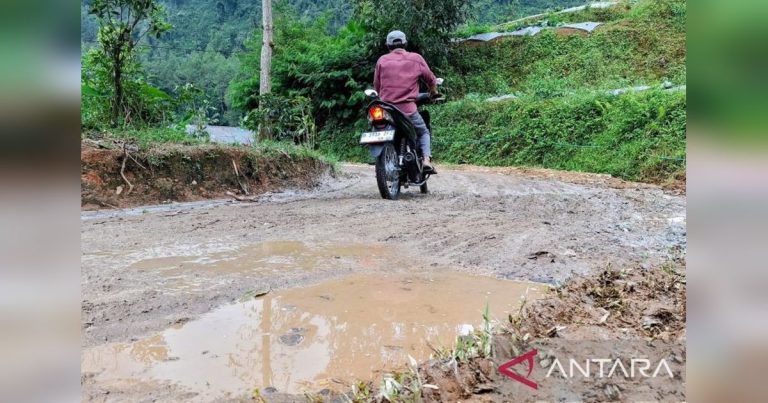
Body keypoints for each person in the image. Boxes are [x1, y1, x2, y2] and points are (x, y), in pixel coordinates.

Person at [373, 30, 438, 171]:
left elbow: (377, 87)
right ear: (405, 43)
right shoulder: (416, 58)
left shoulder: (382, 60)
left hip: (387, 111)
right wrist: (433, 92)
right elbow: (431, 80)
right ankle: (426, 160)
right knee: (423, 132)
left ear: (388, 45)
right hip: (408, 110)